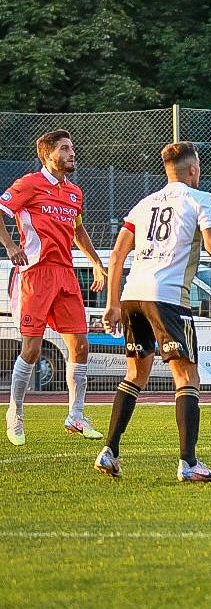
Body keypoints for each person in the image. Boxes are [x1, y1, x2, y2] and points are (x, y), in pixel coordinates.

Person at [95, 142, 211, 481]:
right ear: (193, 170)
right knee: (187, 378)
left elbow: (116, 255)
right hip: (169, 298)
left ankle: (109, 451)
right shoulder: (200, 199)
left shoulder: (144, 204)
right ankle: (188, 463)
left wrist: (113, 303)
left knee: (135, 375)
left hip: (133, 296)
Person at [0, 129, 107, 446]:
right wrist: (10, 246)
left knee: (81, 346)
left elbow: (78, 231)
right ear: (47, 155)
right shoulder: (29, 184)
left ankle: (76, 415)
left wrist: (96, 263)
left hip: (66, 274)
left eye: (72, 147)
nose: (72, 153)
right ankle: (15, 412)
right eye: (64, 148)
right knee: (32, 349)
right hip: (36, 274)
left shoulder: (74, 192)